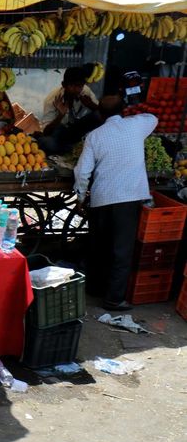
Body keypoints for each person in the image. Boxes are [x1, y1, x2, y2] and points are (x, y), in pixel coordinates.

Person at [74, 96, 156, 312]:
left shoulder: (94, 136)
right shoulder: (137, 125)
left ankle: (94, 288)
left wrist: (80, 198)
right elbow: (153, 118)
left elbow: (82, 172)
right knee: (121, 250)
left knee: (99, 246)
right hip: (128, 199)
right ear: (124, 110)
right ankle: (113, 299)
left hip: (102, 198)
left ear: (100, 114)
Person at [39, 66, 100, 154]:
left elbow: (103, 113)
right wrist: (60, 116)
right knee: (46, 143)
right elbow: (46, 132)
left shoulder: (85, 92)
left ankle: (72, 148)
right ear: (63, 85)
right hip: (61, 135)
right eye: (72, 85)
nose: (77, 90)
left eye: (80, 86)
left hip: (79, 130)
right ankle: (70, 148)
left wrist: (91, 105)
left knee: (97, 115)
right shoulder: (51, 100)